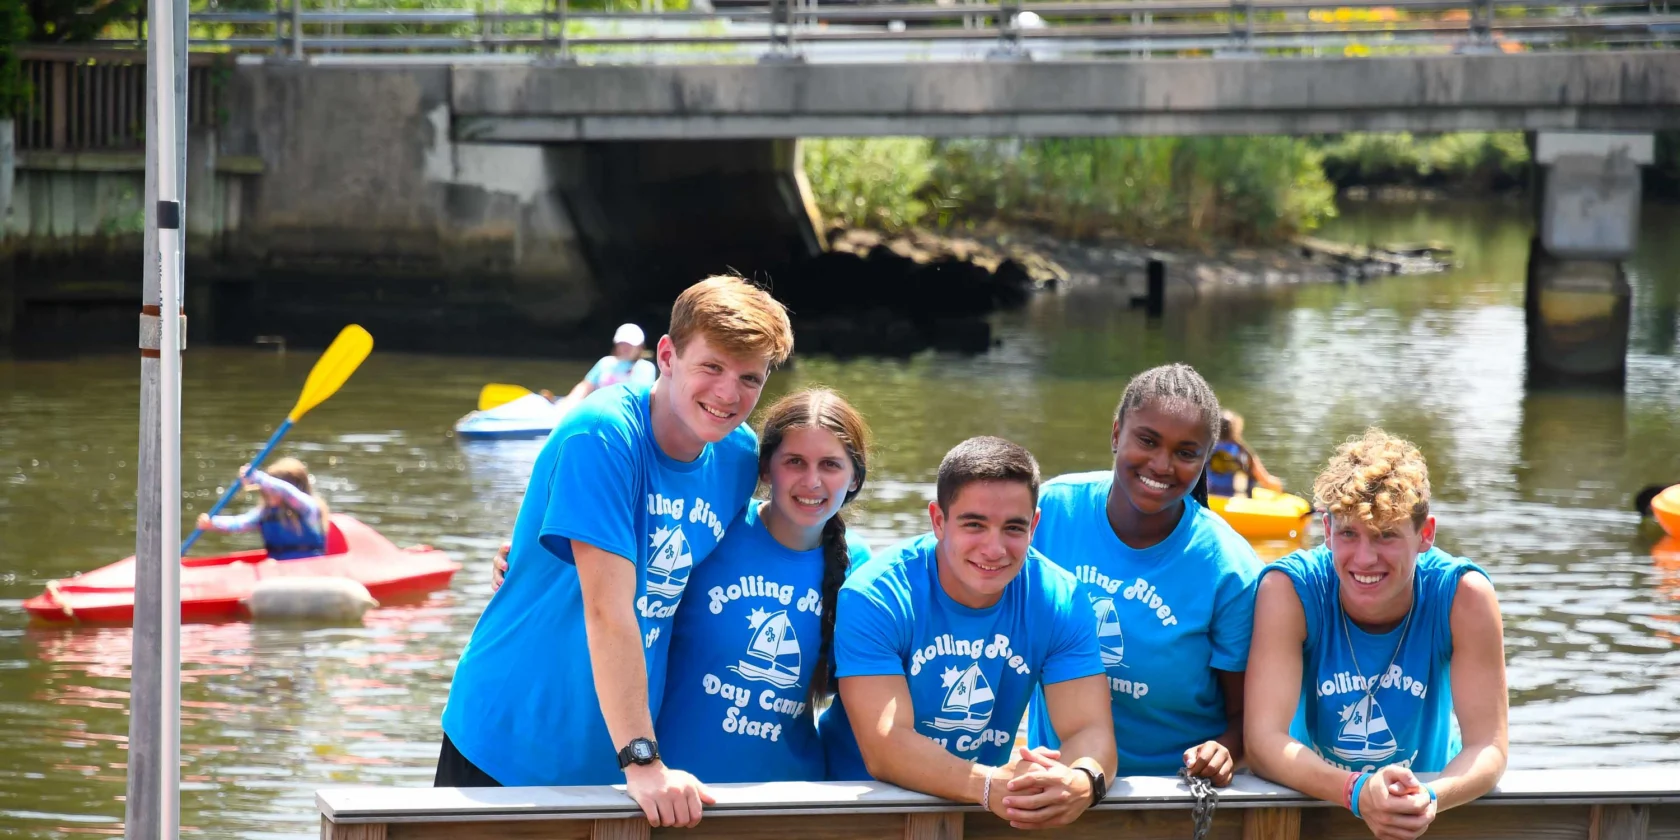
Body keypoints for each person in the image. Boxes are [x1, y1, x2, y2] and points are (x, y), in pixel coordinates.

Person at [437, 276, 794, 831]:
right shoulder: (603, 434)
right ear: (668, 356)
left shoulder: (738, 458)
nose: (729, 394)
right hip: (508, 740)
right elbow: (608, 608)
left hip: (611, 759)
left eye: (750, 377)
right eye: (713, 367)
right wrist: (644, 759)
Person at [825, 436, 1117, 831]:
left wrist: (1082, 780)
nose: (994, 549)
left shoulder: (1059, 597)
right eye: (974, 524)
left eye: (1013, 527)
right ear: (938, 521)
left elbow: (1089, 729)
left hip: (982, 806)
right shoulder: (876, 594)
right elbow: (886, 746)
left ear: (1034, 525)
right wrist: (990, 784)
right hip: (856, 811)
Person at [1246, 429, 1508, 840]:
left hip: (1420, 814)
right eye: (1349, 534)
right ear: (1327, 531)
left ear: (1426, 535)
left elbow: (1489, 747)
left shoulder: (1464, 595)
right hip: (1316, 801)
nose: (1365, 559)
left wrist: (1427, 798)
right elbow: (1263, 742)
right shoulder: (1288, 590)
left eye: (1386, 535)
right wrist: (1355, 792)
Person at [1026, 364, 1262, 787]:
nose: (1161, 464)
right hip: (1062, 781)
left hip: (1173, 795)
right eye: (1147, 440)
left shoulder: (1230, 566)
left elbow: (1249, 717)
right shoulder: (1051, 514)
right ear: (1117, 434)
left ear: (1205, 460)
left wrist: (1224, 750)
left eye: (1186, 452)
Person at [654, 389, 872, 782]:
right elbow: (622, 584)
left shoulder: (862, 567)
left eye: (830, 465)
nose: (812, 481)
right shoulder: (712, 529)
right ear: (767, 469)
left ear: (855, 477)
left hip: (791, 801)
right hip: (677, 791)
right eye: (794, 461)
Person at [194, 457, 329, 560]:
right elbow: (240, 523)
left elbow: (287, 492)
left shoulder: (309, 508)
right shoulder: (265, 513)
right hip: (277, 570)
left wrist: (259, 478)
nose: (267, 491)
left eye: (271, 488)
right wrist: (213, 523)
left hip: (309, 570)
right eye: (265, 488)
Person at [554, 323, 657, 402]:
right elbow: (585, 386)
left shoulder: (645, 368)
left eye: (630, 344)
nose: (626, 348)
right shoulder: (606, 362)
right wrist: (568, 402)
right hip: (598, 409)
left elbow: (638, 398)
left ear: (640, 347)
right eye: (622, 344)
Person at [1207, 409, 1283, 498]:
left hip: (1211, 502)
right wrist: (1278, 486)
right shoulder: (1244, 453)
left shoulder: (1205, 451)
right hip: (1239, 506)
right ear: (1235, 429)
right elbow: (1267, 482)